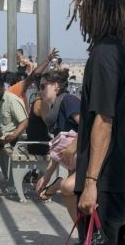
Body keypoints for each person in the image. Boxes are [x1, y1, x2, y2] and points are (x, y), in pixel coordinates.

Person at [67, 0, 125, 244]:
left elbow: (103, 121)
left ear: (98, 13)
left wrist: (90, 183)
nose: (83, 19)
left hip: (104, 182)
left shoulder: (103, 54)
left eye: (86, 11)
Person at [33, 69, 81, 223]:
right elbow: (58, 149)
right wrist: (46, 177)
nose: (40, 91)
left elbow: (89, 125)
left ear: (56, 86)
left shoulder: (69, 101)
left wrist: (73, 145)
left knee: (67, 188)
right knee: (72, 198)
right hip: (74, 163)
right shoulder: (55, 109)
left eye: (43, 86)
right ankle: (85, 235)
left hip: (89, 159)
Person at [0, 75, 29, 195]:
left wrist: (14, 135)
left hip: (13, 141)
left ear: (3, 87)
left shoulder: (12, 100)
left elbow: (24, 121)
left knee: (0, 148)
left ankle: (13, 181)